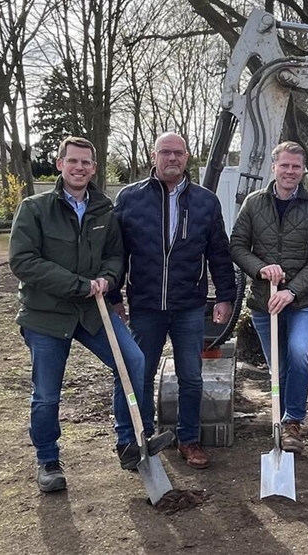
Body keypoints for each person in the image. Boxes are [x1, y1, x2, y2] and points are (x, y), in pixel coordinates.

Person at [9, 136, 169, 494]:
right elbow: (23, 261)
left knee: (132, 361)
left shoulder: (103, 210)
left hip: (92, 312)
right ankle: (48, 461)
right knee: (47, 394)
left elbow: (116, 255)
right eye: (73, 161)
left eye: (86, 162)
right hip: (47, 315)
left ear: (95, 168)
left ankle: (130, 443)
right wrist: (78, 284)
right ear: (59, 164)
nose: (79, 168)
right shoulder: (35, 209)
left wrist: (108, 278)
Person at [112, 132, 237, 470]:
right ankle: (142, 438)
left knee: (191, 377)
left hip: (189, 306)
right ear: (153, 156)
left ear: (187, 158)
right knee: (141, 373)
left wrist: (225, 296)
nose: (172, 158)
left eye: (178, 153)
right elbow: (115, 253)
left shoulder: (205, 201)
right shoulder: (129, 199)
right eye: (165, 152)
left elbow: (218, 252)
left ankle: (188, 439)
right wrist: (114, 296)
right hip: (146, 304)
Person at [230, 141, 308, 454]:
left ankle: (292, 422)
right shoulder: (253, 203)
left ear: (303, 170)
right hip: (264, 302)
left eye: (296, 167)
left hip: (303, 301)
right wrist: (262, 270)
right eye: (285, 165)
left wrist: (291, 291)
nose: (290, 172)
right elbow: (236, 245)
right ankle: (283, 418)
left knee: (299, 352)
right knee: (279, 366)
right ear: (273, 167)